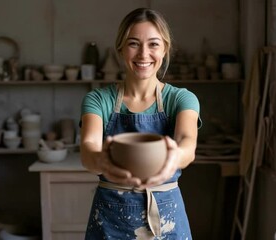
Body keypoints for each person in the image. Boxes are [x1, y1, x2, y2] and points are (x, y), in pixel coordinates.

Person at [80, 7, 201, 239]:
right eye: (133, 43)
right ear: (121, 48)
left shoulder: (181, 99)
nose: (143, 54)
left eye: (153, 44)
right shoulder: (98, 99)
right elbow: (88, 149)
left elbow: (187, 144)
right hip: (109, 219)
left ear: (165, 49)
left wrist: (173, 157)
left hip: (167, 218)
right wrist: (101, 162)